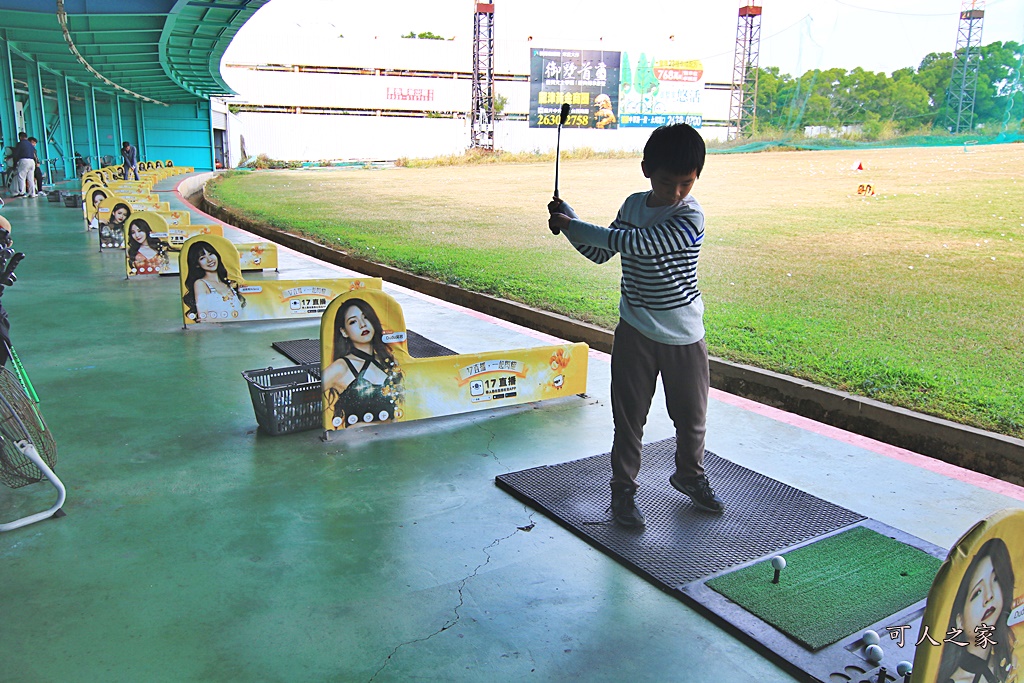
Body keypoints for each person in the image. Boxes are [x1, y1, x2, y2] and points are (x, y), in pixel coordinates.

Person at [547, 122, 719, 527]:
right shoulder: (632, 205)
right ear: (646, 170)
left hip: (683, 336)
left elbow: (634, 244)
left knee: (691, 419)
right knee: (629, 421)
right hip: (635, 331)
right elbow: (600, 250)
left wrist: (573, 225)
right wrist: (568, 220)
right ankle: (623, 492)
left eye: (686, 182)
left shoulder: (690, 216)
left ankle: (689, 476)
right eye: (666, 181)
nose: (676, 192)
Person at [937, 537, 1018, 683]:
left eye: (995, 579)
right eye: (977, 593)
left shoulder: (1012, 662)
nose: (989, 595)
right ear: (959, 620)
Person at [322, 298, 404, 428]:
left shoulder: (388, 361)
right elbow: (307, 394)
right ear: (344, 331)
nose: (362, 325)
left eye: (366, 317)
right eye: (353, 321)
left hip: (388, 440)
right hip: (357, 444)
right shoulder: (341, 367)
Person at [181, 240, 246, 322]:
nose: (209, 260)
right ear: (197, 264)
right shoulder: (200, 284)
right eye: (202, 258)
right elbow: (204, 318)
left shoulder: (229, 283)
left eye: (211, 254)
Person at [11, 133, 37, 198]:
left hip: (24, 161)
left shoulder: (20, 144)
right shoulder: (30, 144)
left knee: (21, 176)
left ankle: (22, 192)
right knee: (30, 178)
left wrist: (14, 164)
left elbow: (16, 154)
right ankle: (32, 193)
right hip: (32, 161)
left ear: (20, 137)